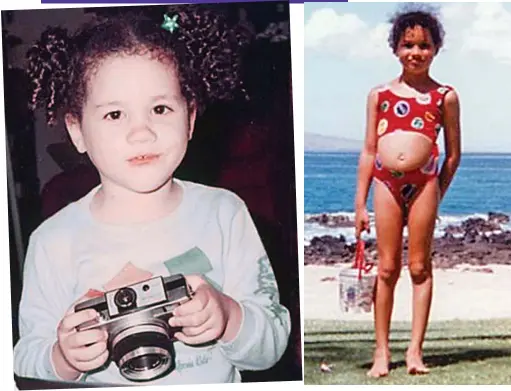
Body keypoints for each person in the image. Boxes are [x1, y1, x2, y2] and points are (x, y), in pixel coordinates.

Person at [13, 5, 291, 385]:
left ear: (190, 118)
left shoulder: (225, 213)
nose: (141, 133)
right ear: (77, 131)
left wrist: (228, 316)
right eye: (115, 115)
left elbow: (273, 343)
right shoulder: (52, 242)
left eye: (160, 108)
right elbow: (25, 356)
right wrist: (63, 357)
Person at [354, 5, 461, 378]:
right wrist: (360, 204)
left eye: (424, 45)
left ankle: (415, 352)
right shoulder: (379, 95)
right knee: (386, 269)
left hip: (425, 184)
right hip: (385, 181)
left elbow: (453, 155)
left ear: (436, 49)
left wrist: (436, 193)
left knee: (419, 267)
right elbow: (369, 150)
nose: (416, 52)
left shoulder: (444, 96)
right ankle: (381, 352)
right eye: (408, 45)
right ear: (396, 49)